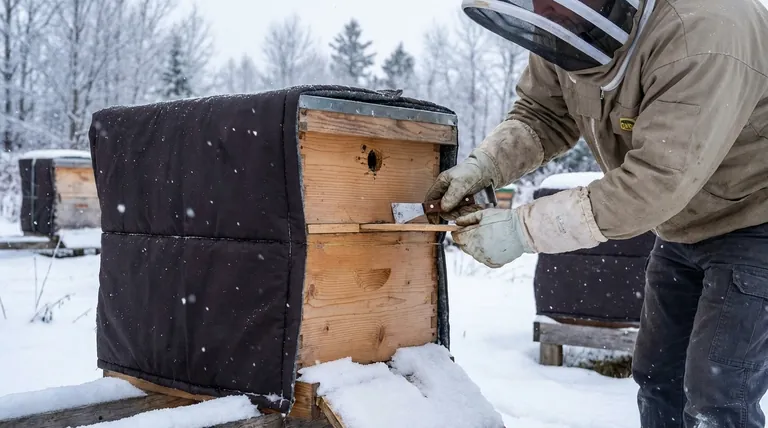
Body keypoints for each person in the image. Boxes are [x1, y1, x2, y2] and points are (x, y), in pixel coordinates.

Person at [427, 0, 768, 426]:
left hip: (756, 218)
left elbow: (655, 182)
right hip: (680, 225)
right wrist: (486, 166)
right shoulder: (561, 27)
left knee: (718, 394)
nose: (545, 12)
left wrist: (522, 229)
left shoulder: (703, 34)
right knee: (659, 377)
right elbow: (542, 114)